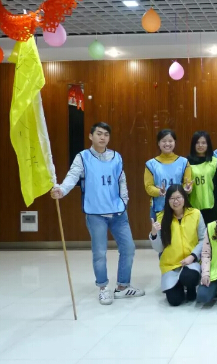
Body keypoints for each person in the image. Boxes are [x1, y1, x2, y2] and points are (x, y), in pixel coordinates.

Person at [50, 122, 144, 305]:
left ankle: (123, 286)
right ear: (90, 136)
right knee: (100, 252)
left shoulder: (116, 157)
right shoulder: (83, 157)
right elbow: (72, 176)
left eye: (106, 134)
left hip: (118, 212)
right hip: (95, 214)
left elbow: (121, 180)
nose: (103, 137)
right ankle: (103, 288)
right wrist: (61, 190)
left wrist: (124, 202)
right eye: (99, 133)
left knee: (128, 248)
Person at [149, 185, 206, 306]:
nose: (176, 201)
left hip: (191, 262)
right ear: (167, 200)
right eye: (172, 198)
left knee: (190, 277)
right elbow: (159, 248)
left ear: (184, 198)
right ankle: (177, 284)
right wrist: (154, 234)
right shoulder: (161, 217)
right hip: (171, 266)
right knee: (175, 301)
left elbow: (203, 239)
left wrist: (192, 256)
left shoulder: (195, 214)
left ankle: (190, 287)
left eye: (178, 197)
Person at [145, 129, 192, 222]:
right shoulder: (150, 164)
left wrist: (187, 189)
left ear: (175, 142)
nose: (167, 144)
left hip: (179, 208)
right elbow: (148, 187)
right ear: (158, 143)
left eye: (170, 141)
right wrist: (159, 191)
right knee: (160, 232)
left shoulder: (184, 162)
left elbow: (187, 184)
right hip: (159, 208)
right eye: (164, 141)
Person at [187, 131, 217, 225]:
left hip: (211, 207)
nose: (200, 145)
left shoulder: (214, 161)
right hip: (193, 206)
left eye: (203, 143)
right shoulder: (186, 162)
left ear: (208, 145)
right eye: (197, 143)